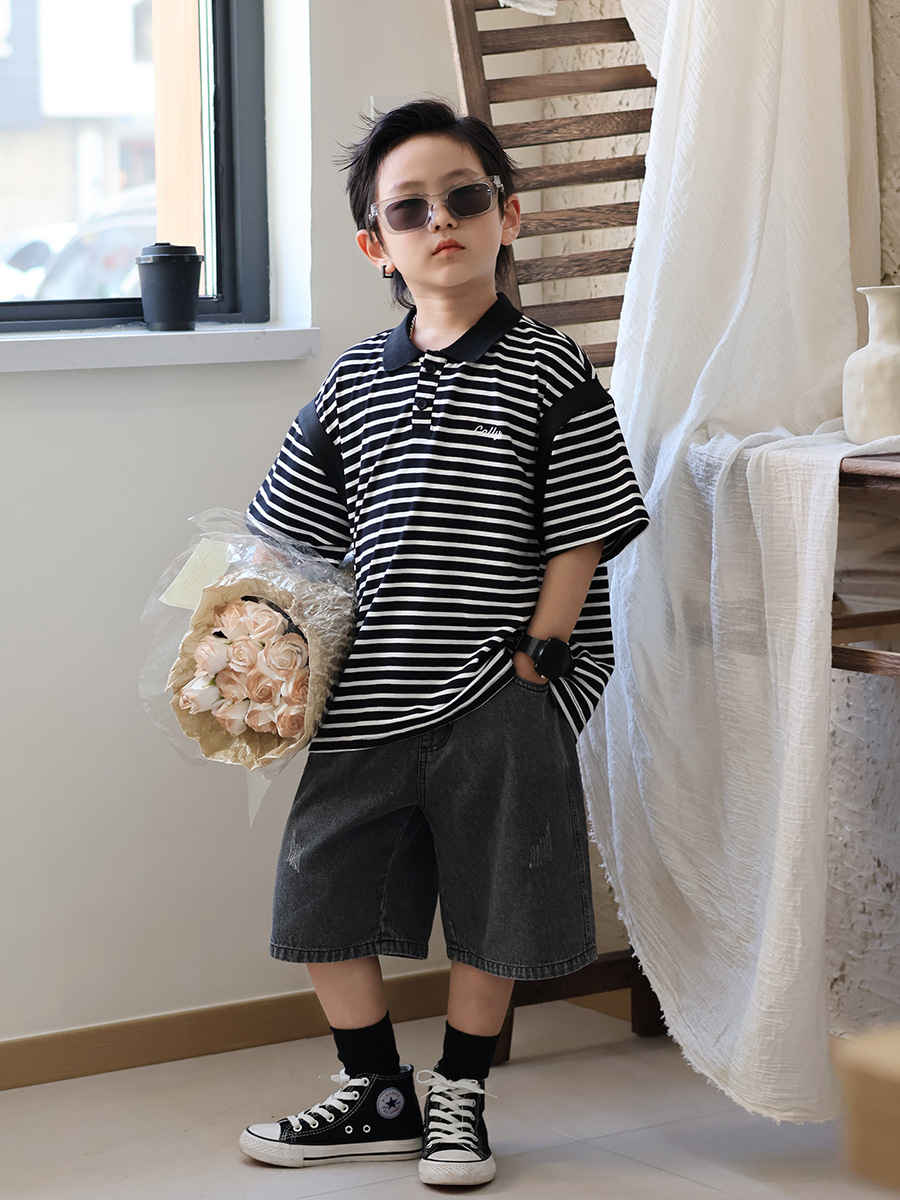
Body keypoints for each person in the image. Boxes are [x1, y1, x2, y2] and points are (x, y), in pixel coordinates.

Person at [238, 99, 648, 1188]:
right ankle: (375, 1091)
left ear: (507, 215)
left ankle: (460, 1094)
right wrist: (255, 643)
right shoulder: (350, 383)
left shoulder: (551, 368)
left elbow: (583, 524)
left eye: (464, 197)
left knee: (498, 891)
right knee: (321, 883)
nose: (441, 222)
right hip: (369, 689)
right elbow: (290, 541)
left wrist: (541, 656)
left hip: (497, 684)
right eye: (409, 209)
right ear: (376, 244)